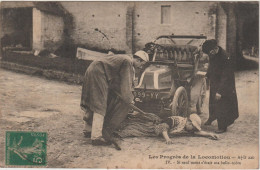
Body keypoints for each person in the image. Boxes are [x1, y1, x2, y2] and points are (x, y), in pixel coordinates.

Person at [80, 50, 149, 146]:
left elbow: (117, 80)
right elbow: (125, 84)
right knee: (100, 104)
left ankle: (88, 130)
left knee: (94, 101)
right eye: (142, 64)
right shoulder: (128, 62)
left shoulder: (124, 57)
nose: (141, 67)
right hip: (98, 73)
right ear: (138, 60)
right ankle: (96, 138)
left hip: (93, 69)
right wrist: (130, 100)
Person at [202, 39, 239, 133]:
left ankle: (222, 126)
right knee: (212, 101)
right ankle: (212, 117)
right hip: (215, 82)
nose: (209, 55)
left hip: (225, 84)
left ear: (215, 49)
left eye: (210, 52)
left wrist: (220, 91)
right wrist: (207, 75)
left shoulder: (225, 57)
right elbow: (211, 66)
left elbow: (226, 77)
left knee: (222, 104)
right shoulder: (212, 54)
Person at [115, 113, 218, 144]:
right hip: (153, 126)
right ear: (189, 122)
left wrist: (209, 134)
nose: (192, 130)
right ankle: (116, 131)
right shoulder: (177, 120)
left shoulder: (187, 126)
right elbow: (164, 128)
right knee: (134, 129)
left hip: (160, 128)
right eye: (192, 127)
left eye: (193, 128)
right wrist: (167, 139)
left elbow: (197, 132)